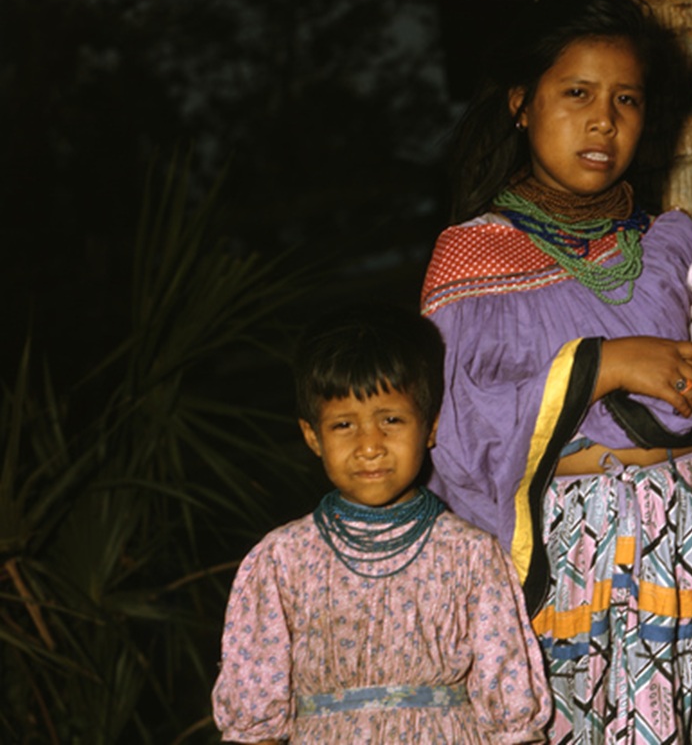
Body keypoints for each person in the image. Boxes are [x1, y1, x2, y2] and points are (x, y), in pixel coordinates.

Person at [421, 0, 692, 742]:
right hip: (573, 565)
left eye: (627, 99)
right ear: (522, 103)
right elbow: (452, 429)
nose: (603, 120)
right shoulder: (471, 255)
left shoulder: (673, 243)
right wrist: (603, 363)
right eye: (577, 93)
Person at [211, 305, 551, 744]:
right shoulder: (281, 560)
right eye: (343, 425)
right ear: (312, 436)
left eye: (391, 420)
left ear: (430, 428)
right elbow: (252, 722)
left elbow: (510, 710)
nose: (369, 446)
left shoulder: (471, 555)